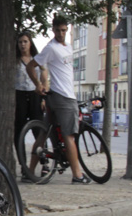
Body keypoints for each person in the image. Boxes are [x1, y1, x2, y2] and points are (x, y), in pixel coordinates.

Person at [26, 17, 90, 184]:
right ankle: (78, 175)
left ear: (67, 29)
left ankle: (29, 172)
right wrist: (38, 84)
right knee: (69, 136)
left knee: (43, 133)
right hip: (64, 97)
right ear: (53, 30)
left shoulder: (68, 47)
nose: (61, 34)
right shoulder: (51, 48)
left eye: (64, 30)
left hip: (58, 96)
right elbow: (30, 66)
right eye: (58, 30)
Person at [15, 31, 45, 150]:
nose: (23, 45)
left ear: (30, 43)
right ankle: (23, 163)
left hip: (35, 95)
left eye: (25, 41)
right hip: (19, 95)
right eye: (20, 42)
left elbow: (44, 76)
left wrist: (43, 98)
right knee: (19, 130)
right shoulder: (15, 60)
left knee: (39, 129)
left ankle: (44, 161)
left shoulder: (36, 59)